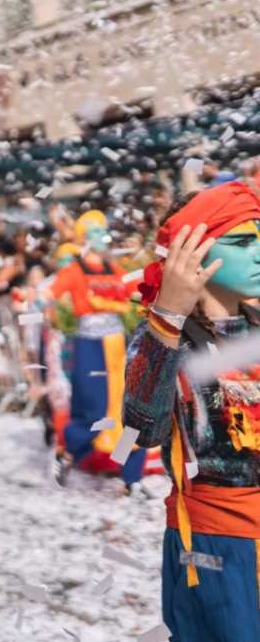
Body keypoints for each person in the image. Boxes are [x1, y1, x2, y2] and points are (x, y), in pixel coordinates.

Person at [123, 181, 260, 640]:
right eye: (243, 240)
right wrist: (169, 314)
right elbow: (142, 430)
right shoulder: (165, 340)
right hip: (216, 545)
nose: (259, 251)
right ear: (190, 253)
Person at [46, 210, 147, 492]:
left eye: (105, 230)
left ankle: (132, 480)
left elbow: (141, 290)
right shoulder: (74, 272)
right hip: (91, 345)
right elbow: (49, 293)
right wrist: (30, 300)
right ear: (83, 240)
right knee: (94, 412)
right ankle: (67, 453)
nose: (103, 237)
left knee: (131, 412)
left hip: (119, 346)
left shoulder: (117, 272)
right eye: (95, 232)